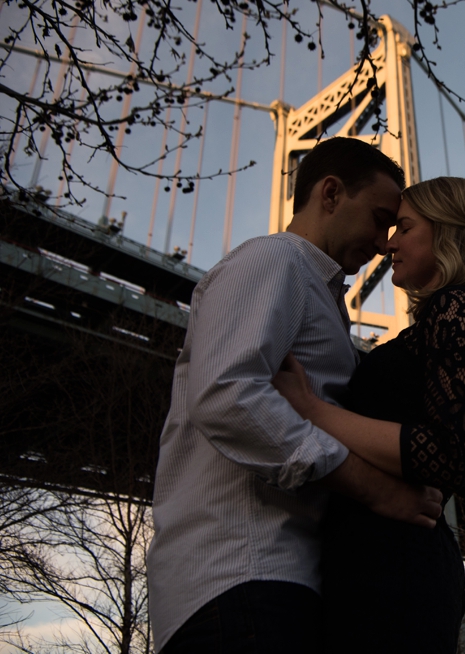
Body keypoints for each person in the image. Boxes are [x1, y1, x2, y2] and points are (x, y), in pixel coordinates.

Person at [147, 137, 443, 653]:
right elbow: (226, 394)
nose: (381, 243)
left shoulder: (316, 292)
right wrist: (373, 488)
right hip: (242, 578)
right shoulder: (275, 261)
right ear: (330, 194)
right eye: (377, 218)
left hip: (275, 587)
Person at [272, 176, 465, 653]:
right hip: (373, 560)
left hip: (395, 569)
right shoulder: (435, 324)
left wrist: (311, 409)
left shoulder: (458, 308)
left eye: (404, 227)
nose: (388, 243)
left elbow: (440, 453)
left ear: (445, 234)